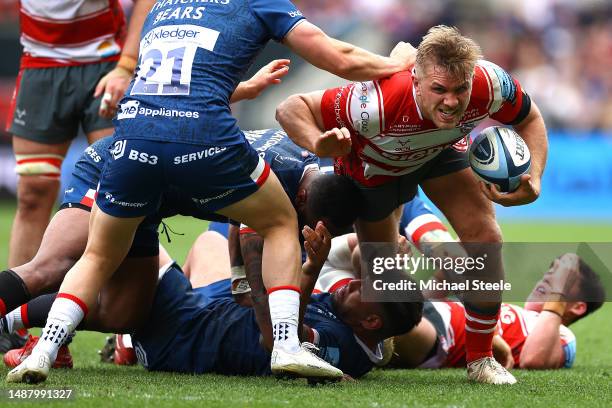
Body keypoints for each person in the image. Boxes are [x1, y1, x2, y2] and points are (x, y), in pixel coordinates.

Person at [7, 0, 416, 384]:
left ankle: (45, 349)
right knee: (276, 222)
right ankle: (288, 344)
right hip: (191, 144)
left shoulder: (164, 6)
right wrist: (396, 64)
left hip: (133, 139)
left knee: (113, 286)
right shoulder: (256, 5)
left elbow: (175, 83)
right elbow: (339, 58)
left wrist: (241, 90)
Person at [275, 25, 548, 384]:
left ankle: (480, 359)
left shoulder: (491, 82)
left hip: (440, 153)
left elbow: (529, 118)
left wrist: (536, 177)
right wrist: (318, 142)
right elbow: (289, 107)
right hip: (375, 172)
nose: (451, 101)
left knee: (485, 238)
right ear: (416, 80)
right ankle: (370, 338)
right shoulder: (374, 102)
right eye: (439, 90)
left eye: (460, 89)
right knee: (383, 280)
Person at [3, 226, 423, 380]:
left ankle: (14, 318)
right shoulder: (354, 318)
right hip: (209, 308)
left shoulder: (342, 346)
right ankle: (117, 336)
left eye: (360, 288)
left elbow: (279, 338)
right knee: (205, 241)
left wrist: (269, 263)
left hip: (186, 332)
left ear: (370, 320)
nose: (350, 285)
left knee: (118, 237)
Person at [5, 0, 156, 270]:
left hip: (106, 65)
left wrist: (128, 65)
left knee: (118, 189)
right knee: (32, 192)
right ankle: (19, 306)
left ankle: (114, 305)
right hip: (40, 66)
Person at [388, 253, 606, 371]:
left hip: (441, 336)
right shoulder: (518, 313)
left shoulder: (563, 336)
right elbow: (430, 303)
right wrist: (444, 277)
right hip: (427, 312)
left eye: (563, 278)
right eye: (551, 271)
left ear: (577, 306)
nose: (550, 277)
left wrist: (557, 297)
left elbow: (534, 360)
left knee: (383, 306)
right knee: (361, 258)